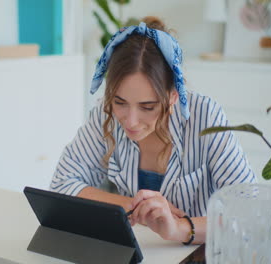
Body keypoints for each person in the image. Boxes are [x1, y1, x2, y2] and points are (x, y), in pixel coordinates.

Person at [49, 16, 256, 245]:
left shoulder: (205, 117)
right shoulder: (105, 116)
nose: (131, 121)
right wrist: (135, 207)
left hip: (197, 253)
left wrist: (179, 228)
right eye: (120, 102)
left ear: (173, 96)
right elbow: (62, 184)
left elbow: (249, 213)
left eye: (147, 107)